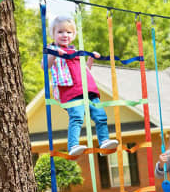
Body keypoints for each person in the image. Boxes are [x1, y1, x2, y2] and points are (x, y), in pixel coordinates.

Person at [43, 15, 118, 156]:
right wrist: (54, 54)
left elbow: (85, 70)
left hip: (87, 89)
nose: (65, 35)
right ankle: (73, 146)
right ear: (53, 34)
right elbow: (44, 66)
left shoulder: (76, 51)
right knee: (77, 116)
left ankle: (104, 141)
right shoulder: (51, 49)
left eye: (68, 32)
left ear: (74, 35)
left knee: (100, 116)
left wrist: (91, 59)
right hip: (71, 92)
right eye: (60, 32)